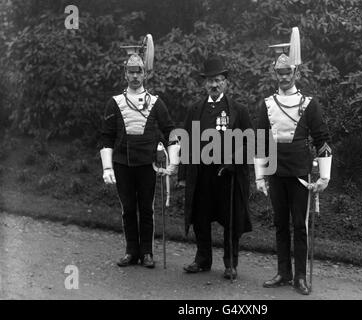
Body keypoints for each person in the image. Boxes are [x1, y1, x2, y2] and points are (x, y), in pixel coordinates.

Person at [255, 27, 332, 295]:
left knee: (299, 225)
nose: (284, 77)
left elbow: (322, 140)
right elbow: (260, 141)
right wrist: (259, 175)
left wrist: (324, 177)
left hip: (300, 172)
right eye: (280, 73)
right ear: (274, 74)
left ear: (296, 73)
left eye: (289, 72)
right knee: (279, 224)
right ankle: (283, 272)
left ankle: (300, 276)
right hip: (276, 172)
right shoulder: (266, 104)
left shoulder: (309, 104)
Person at [99, 36, 179, 268]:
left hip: (147, 165)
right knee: (128, 209)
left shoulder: (156, 102)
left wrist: (173, 163)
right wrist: (107, 167)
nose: (135, 76)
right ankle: (130, 251)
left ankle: (147, 252)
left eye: (139, 72)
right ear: (125, 74)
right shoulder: (114, 102)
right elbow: (106, 136)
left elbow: (170, 131)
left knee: (146, 209)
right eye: (131, 72)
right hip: (123, 164)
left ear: (145, 74)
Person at [180, 56, 253, 280]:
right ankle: (203, 260)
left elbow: (248, 142)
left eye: (219, 80)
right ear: (204, 83)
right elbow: (187, 141)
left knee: (230, 219)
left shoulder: (238, 110)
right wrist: (183, 175)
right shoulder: (195, 109)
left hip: (227, 176)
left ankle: (230, 263)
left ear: (226, 83)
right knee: (201, 218)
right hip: (202, 174)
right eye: (210, 81)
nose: (214, 85)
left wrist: (233, 163)